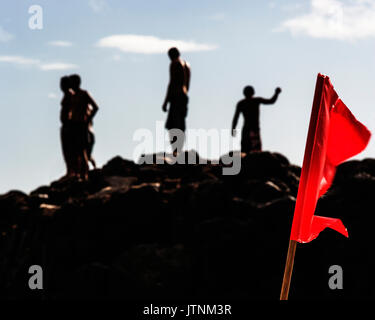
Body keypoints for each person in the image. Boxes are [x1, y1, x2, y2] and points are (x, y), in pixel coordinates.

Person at [232, 86, 281, 153]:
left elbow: (236, 118)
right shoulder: (253, 101)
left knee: (247, 150)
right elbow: (271, 101)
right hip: (253, 129)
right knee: (253, 150)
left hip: (250, 129)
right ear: (253, 92)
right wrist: (276, 93)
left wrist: (233, 129)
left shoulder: (242, 103)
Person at [69, 74, 99, 181]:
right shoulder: (72, 96)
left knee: (83, 152)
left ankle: (85, 176)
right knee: (76, 152)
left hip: (83, 126)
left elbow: (95, 107)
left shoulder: (84, 94)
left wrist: (87, 119)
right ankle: (79, 175)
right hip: (75, 126)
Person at [162, 47, 191, 156]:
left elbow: (172, 82)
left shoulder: (174, 63)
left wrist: (166, 101)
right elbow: (187, 84)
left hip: (176, 95)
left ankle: (175, 150)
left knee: (172, 124)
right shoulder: (187, 65)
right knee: (181, 123)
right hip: (184, 96)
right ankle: (179, 149)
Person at [59, 76, 75, 177]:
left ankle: (71, 171)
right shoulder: (66, 95)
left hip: (69, 125)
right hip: (65, 124)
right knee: (66, 150)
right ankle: (69, 170)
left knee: (70, 149)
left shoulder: (70, 94)